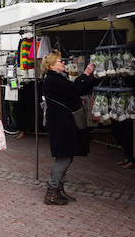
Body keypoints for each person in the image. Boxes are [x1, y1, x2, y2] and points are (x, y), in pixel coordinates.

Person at [41, 49, 95, 205]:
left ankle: (58, 189)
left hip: (63, 123)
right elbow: (74, 91)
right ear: (51, 66)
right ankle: (51, 192)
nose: (63, 63)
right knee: (64, 157)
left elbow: (75, 90)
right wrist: (85, 74)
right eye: (60, 61)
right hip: (62, 125)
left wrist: (87, 77)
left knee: (66, 155)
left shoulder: (56, 78)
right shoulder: (53, 80)